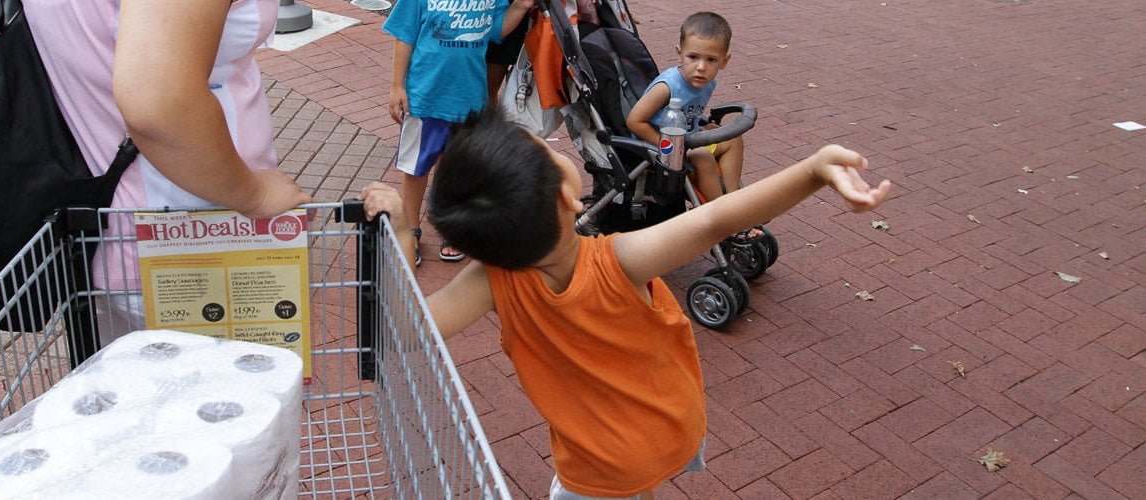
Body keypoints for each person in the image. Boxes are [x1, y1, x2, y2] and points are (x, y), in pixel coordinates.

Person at [363, 107, 892, 498]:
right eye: (548, 150)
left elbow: (407, 329)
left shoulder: (490, 279)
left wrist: (400, 226)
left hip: (594, 461)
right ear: (568, 199)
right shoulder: (618, 260)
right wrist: (813, 170)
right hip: (663, 431)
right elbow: (713, 219)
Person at [21, 0, 313, 342]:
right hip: (193, 234)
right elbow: (159, 104)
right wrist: (255, 195)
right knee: (234, 386)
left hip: (117, 218)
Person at [383, 0, 534, 265]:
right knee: (416, 169)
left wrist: (519, 8)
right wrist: (397, 86)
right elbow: (404, 36)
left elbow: (496, 30)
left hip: (469, 102)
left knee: (459, 169)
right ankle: (409, 232)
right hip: (425, 100)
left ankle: (452, 227)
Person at [626, 12, 756, 238]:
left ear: (725, 61)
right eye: (693, 57)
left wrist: (702, 129)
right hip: (660, 150)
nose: (701, 67)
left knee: (732, 138)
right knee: (704, 157)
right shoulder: (668, 86)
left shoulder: (708, 82)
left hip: (688, 139)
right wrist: (667, 145)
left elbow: (690, 115)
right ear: (679, 54)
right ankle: (722, 217)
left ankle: (734, 200)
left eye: (711, 60)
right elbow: (635, 121)